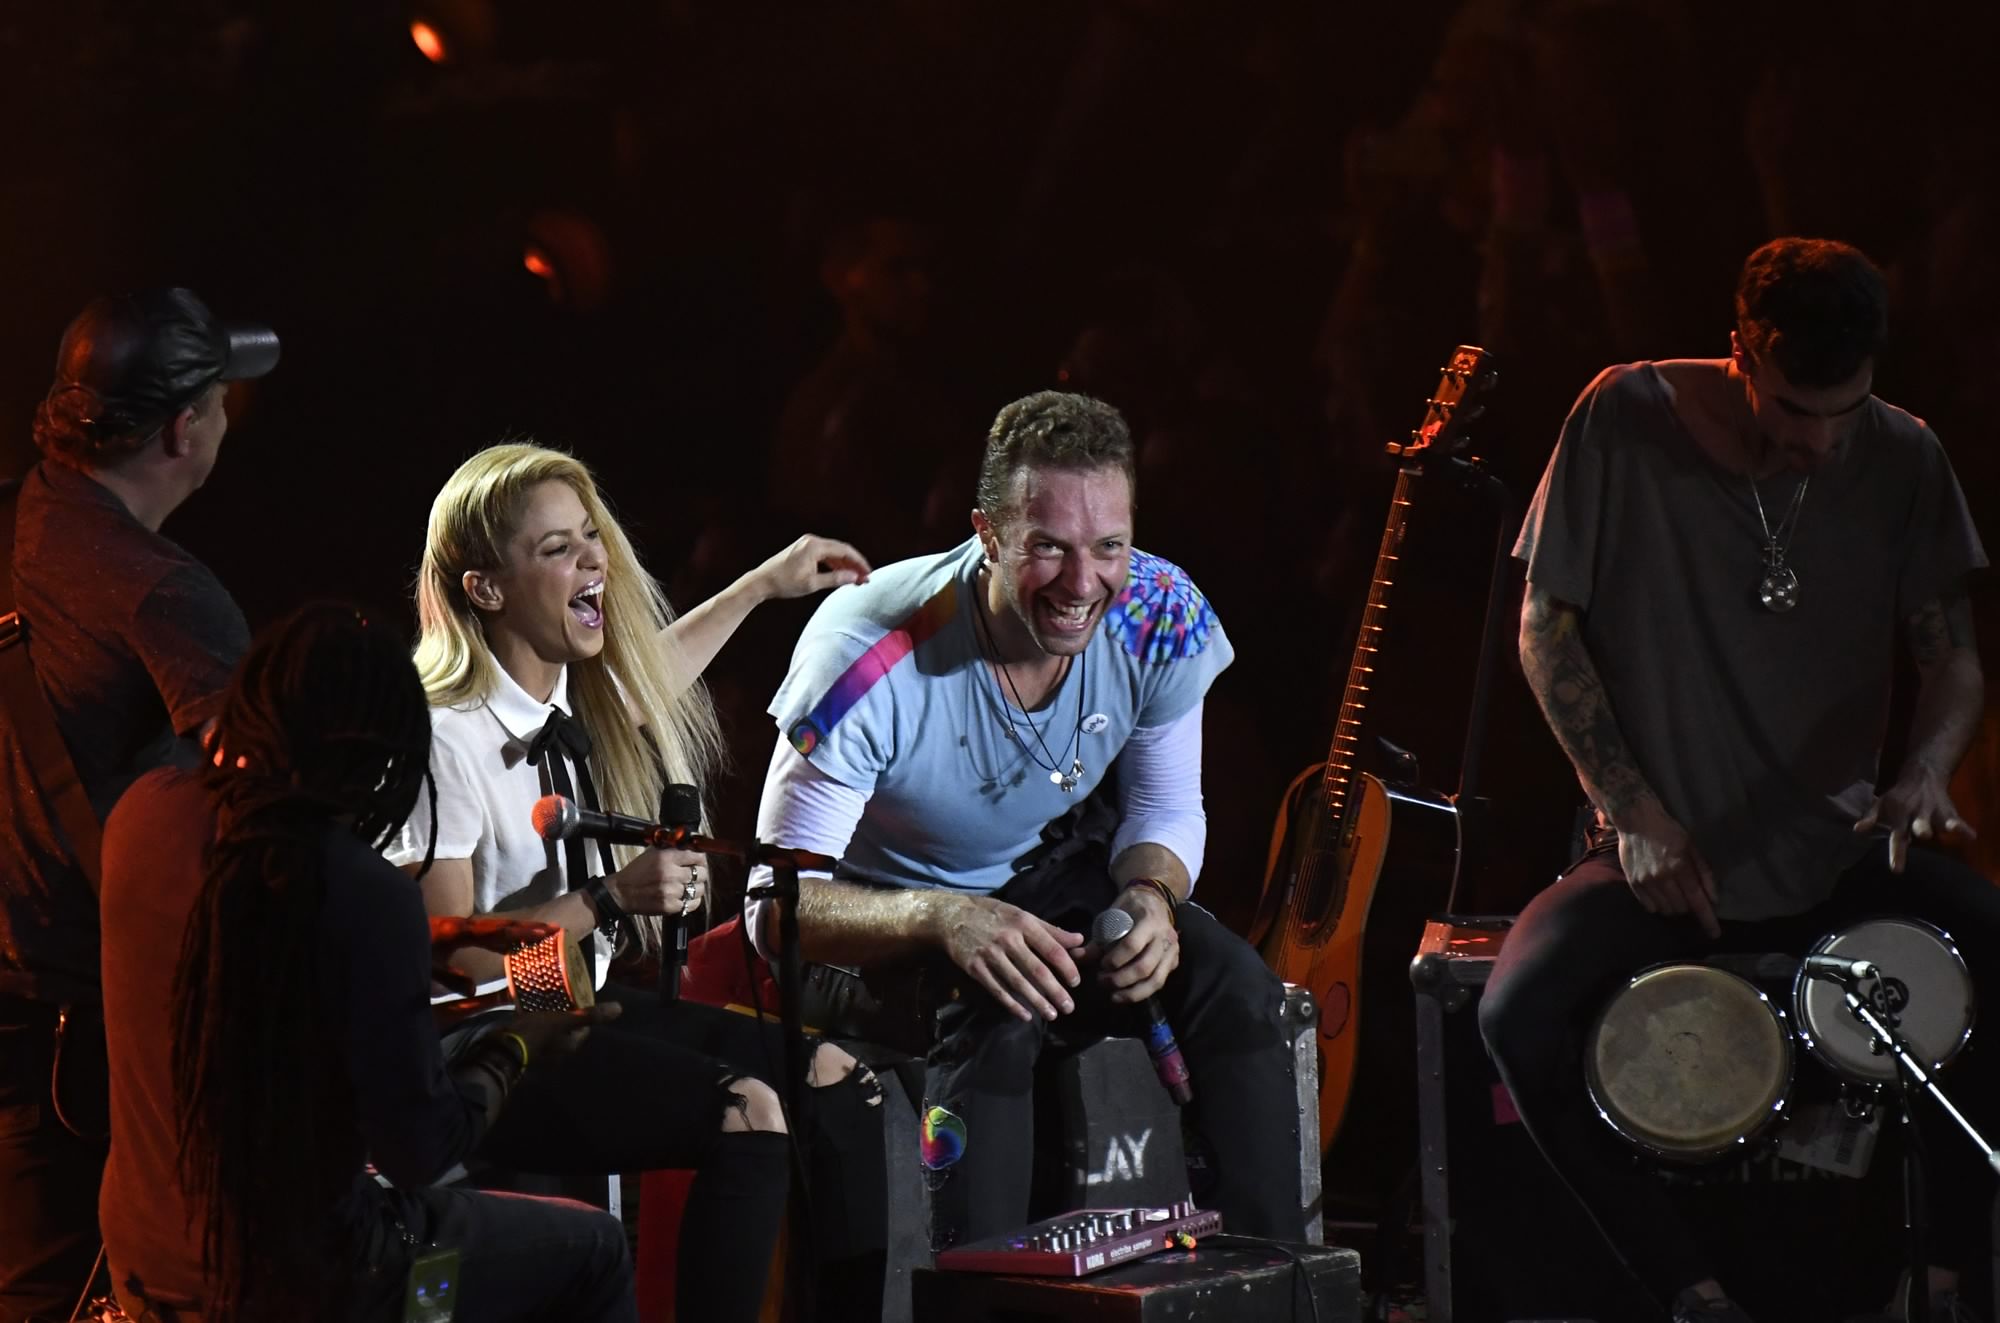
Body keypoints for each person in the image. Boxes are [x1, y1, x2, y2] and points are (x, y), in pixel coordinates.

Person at [1484, 236, 1991, 1323]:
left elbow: (1951, 656)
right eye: (1793, 410)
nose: (1819, 442)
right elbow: (1544, 627)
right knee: (1514, 1013)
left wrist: (1924, 771)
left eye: (1844, 411)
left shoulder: (1904, 456)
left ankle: (1942, 1279)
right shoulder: (1622, 415)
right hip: (1666, 862)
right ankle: (1692, 1293)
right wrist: (1633, 811)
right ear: (1739, 354)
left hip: (1834, 854)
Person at [750, 389, 1308, 1250]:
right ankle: (985, 1295)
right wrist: (940, 916)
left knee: (1233, 983)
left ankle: (1273, 1282)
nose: (1084, 584)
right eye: (1048, 547)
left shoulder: (1158, 611)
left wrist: (1151, 897)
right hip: (870, 924)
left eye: (1109, 546)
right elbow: (777, 909)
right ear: (987, 534)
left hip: (1031, 886)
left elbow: (1163, 807)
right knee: (996, 1005)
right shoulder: (866, 653)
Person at [389, 441, 885, 1321]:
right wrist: (609, 898)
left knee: (837, 1079)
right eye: (558, 547)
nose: (594, 560)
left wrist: (762, 585)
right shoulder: (445, 737)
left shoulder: (563, 704)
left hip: (577, 1001)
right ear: (486, 589)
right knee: (747, 1111)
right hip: (491, 1041)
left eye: (592, 536)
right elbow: (450, 966)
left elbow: (654, 671)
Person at [97, 603, 636, 1322]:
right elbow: (421, 1149)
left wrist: (426, 942)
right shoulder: (357, 888)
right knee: (591, 1249)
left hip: (146, 1257)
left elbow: (262, 943)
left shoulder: (142, 815)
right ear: (385, 757)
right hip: (327, 1284)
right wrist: (520, 1043)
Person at [0, 287, 277, 1322]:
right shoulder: (163, 592)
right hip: (74, 1035)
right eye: (221, 398)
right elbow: (265, 808)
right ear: (181, 429)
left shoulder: (10, 520)